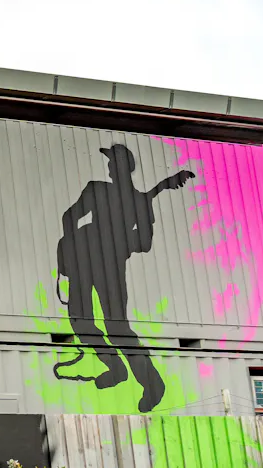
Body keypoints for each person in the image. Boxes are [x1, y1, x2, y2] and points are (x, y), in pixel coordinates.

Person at [55, 144, 192, 412]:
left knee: (114, 327)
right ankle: (116, 367)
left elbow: (144, 243)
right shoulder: (104, 191)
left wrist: (114, 241)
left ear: (121, 168)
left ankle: (151, 384)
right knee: (82, 322)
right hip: (87, 262)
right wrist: (81, 243)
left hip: (108, 266)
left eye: (113, 163)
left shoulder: (133, 200)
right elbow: (69, 218)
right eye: (110, 163)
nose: (109, 167)